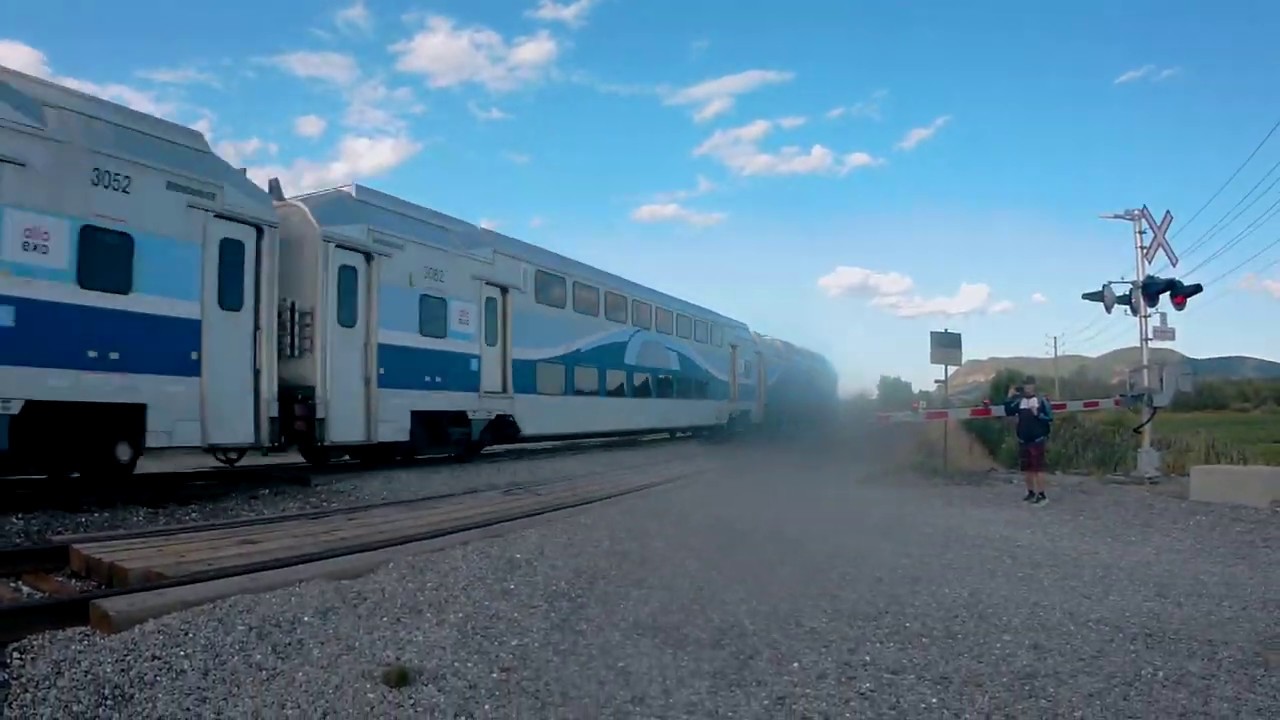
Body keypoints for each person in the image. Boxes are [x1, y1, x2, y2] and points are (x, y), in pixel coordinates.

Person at [1004, 376, 1053, 505]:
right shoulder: (1019, 401)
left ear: (1034, 386)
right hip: (1023, 439)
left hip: (1037, 439)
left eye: (1030, 385)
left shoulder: (1041, 400)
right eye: (1026, 385)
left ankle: (1042, 495)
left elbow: (1049, 417)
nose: (1028, 387)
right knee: (1027, 469)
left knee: (1038, 468)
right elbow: (1009, 411)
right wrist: (1009, 397)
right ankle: (1031, 492)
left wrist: (1037, 414)